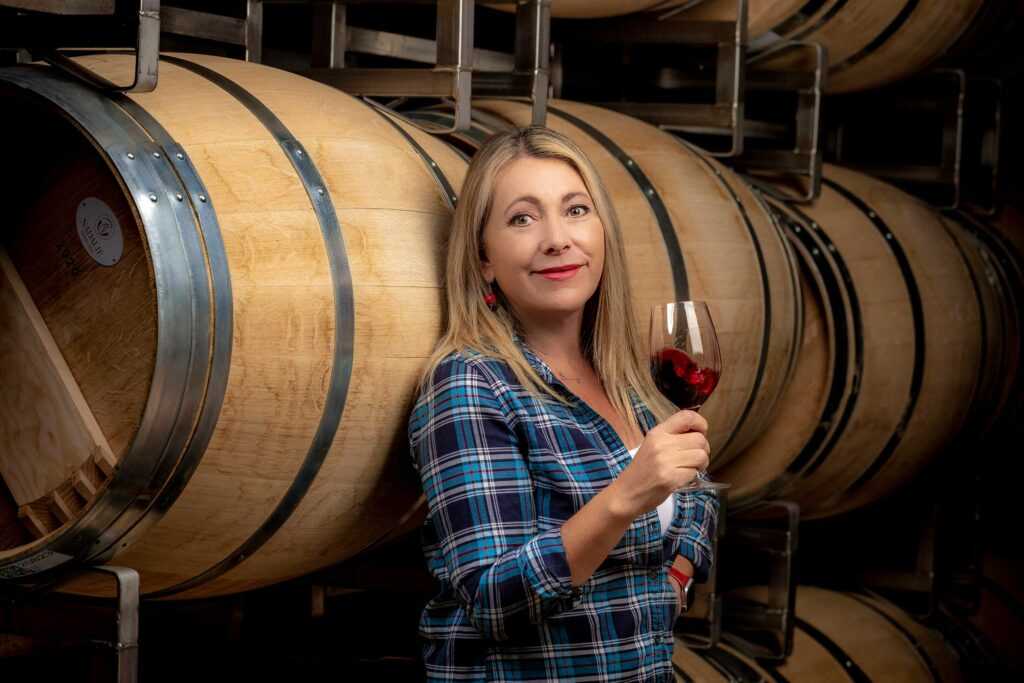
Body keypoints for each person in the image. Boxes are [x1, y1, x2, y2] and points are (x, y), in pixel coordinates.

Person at [408, 126, 718, 682]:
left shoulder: (625, 377)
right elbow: (494, 599)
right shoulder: (470, 385)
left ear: (602, 231)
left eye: (575, 210)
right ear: (483, 257)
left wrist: (675, 578)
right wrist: (624, 498)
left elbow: (695, 495)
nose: (557, 238)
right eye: (522, 219)